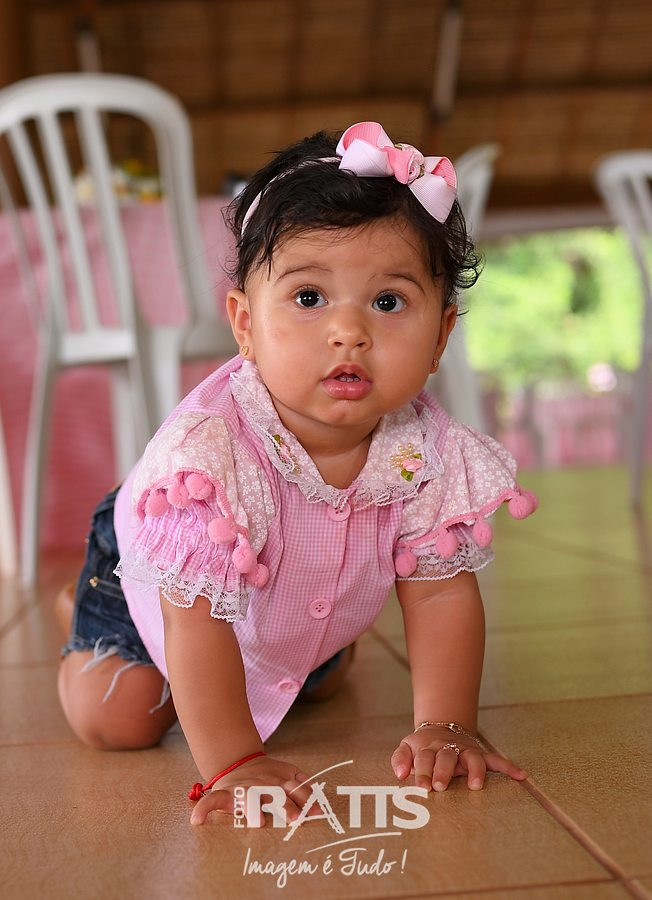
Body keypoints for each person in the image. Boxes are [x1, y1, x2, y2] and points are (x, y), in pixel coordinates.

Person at [56, 121, 537, 827]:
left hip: (284, 604)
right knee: (121, 718)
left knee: (302, 676)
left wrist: (447, 724)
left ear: (441, 335)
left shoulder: (427, 453)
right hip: (160, 584)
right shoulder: (212, 457)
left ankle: (315, 657)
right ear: (245, 324)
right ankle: (86, 621)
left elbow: (439, 594)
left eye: (388, 302)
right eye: (309, 298)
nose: (349, 332)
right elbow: (194, 618)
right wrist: (234, 763)